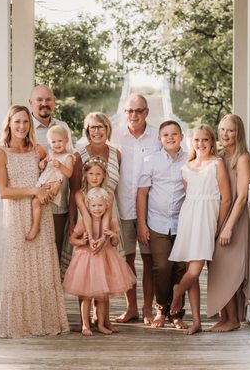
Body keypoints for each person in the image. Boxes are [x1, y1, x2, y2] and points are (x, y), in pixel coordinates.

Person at [0, 105, 69, 338]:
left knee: (42, 266)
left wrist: (50, 190)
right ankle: (17, 323)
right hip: (15, 216)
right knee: (17, 269)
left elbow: (56, 174)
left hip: (40, 215)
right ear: (9, 124)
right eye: (17, 122)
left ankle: (42, 322)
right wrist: (34, 190)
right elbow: (3, 192)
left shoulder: (39, 151)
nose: (22, 126)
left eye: (25, 122)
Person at [169, 124, 232, 335]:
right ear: (191, 143)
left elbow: (226, 198)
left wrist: (218, 226)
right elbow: (190, 196)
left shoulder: (217, 164)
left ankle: (177, 293)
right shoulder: (186, 167)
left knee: (194, 270)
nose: (201, 144)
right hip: (189, 218)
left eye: (205, 140)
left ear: (212, 142)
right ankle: (196, 322)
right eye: (197, 140)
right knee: (191, 272)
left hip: (209, 218)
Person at [110, 94, 161, 325]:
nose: (134, 115)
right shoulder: (115, 135)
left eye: (139, 111)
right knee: (126, 260)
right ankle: (131, 308)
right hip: (121, 207)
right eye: (130, 111)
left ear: (147, 112)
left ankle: (148, 309)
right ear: (125, 113)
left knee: (150, 262)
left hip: (150, 210)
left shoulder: (157, 137)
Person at [136, 120, 188, 330]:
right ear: (159, 138)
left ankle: (176, 313)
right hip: (157, 222)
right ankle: (161, 309)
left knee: (180, 268)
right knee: (162, 267)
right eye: (165, 134)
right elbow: (142, 194)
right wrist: (142, 224)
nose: (170, 137)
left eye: (174, 134)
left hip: (183, 222)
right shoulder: (151, 160)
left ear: (181, 137)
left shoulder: (190, 159)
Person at [63, 187, 135, 336]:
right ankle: (85, 324)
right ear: (88, 206)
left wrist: (113, 235)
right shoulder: (83, 222)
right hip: (86, 262)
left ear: (107, 206)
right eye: (94, 205)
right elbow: (72, 239)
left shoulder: (111, 222)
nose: (97, 209)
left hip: (105, 261)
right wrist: (81, 241)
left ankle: (101, 324)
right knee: (86, 297)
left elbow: (115, 243)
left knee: (102, 297)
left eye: (100, 205)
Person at [206, 114, 250, 332]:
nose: (225, 134)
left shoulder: (242, 157)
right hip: (218, 218)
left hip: (234, 221)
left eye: (230, 130)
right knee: (217, 267)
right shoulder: (218, 156)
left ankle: (233, 319)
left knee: (230, 269)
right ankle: (224, 316)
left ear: (238, 133)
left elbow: (242, 197)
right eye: (222, 129)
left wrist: (228, 226)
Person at [64, 113, 121, 275]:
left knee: (108, 268)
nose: (97, 131)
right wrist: (72, 221)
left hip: (109, 214)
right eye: (93, 127)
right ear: (87, 131)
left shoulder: (116, 154)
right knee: (86, 267)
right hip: (86, 216)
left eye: (100, 127)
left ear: (107, 129)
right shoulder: (78, 156)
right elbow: (74, 191)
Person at [29, 85, 73, 260]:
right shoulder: (25, 128)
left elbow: (70, 160)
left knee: (55, 251)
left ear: (54, 103)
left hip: (58, 203)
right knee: (34, 251)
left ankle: (54, 287)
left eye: (48, 100)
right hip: (33, 199)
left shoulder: (63, 127)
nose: (44, 103)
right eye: (39, 100)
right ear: (31, 102)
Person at [29, 125, 75, 241]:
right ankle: (35, 225)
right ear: (49, 143)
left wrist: (60, 166)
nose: (57, 144)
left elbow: (69, 173)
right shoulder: (50, 154)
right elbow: (42, 166)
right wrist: (42, 164)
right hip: (44, 185)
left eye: (60, 141)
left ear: (66, 140)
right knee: (34, 201)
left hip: (55, 190)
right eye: (53, 142)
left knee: (35, 202)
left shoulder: (68, 157)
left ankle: (35, 227)